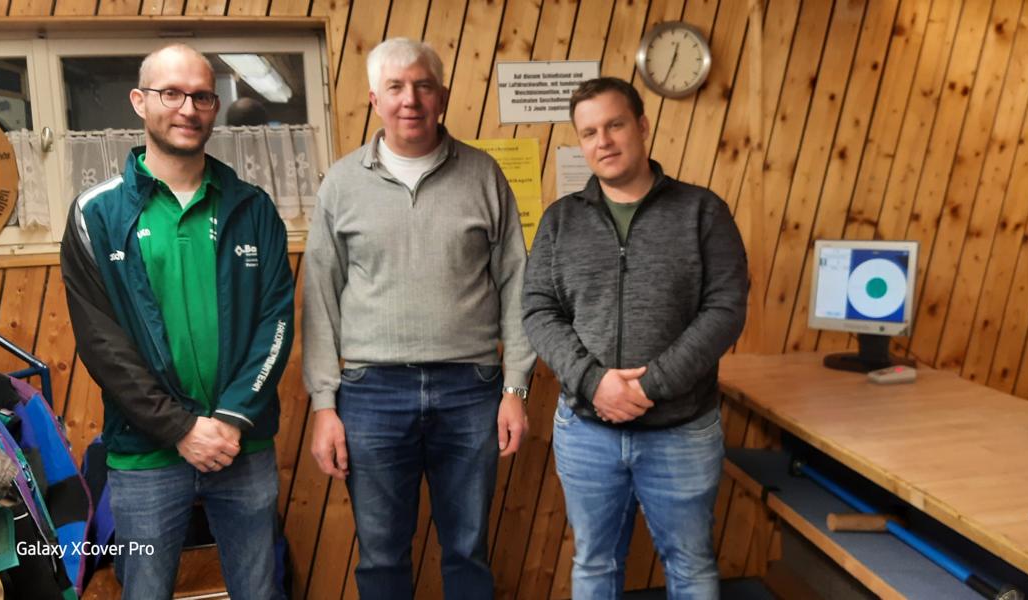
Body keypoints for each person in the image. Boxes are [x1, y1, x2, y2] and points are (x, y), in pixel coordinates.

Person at [301, 37, 534, 600]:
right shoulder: (341, 184)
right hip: (370, 393)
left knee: (468, 551)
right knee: (381, 556)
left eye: (423, 86)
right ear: (375, 100)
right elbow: (319, 298)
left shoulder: (484, 176)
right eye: (396, 87)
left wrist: (515, 388)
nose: (410, 99)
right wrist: (324, 405)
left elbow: (517, 284)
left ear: (442, 97)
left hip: (471, 389)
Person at [60, 43, 294, 600]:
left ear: (215, 107)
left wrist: (231, 419)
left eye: (202, 96)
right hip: (145, 454)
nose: (188, 108)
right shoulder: (96, 213)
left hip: (241, 446)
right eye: (171, 94)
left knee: (260, 591)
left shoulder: (252, 207)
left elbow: (276, 323)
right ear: (139, 101)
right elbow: (102, 344)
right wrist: (182, 430)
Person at [522, 77, 749, 600]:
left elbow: (725, 309)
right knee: (593, 564)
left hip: (681, 430)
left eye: (615, 125)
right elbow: (537, 310)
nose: (602, 141)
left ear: (642, 126)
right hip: (586, 431)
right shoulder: (560, 221)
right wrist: (594, 382)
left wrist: (652, 385)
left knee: (690, 566)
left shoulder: (702, 212)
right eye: (589, 132)